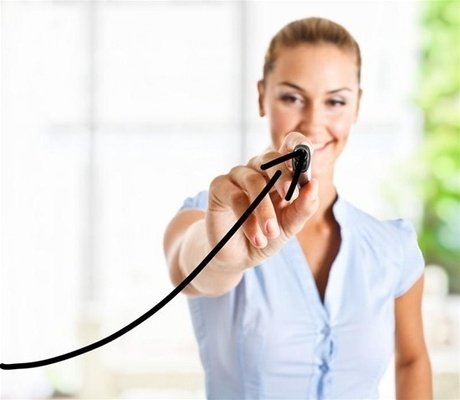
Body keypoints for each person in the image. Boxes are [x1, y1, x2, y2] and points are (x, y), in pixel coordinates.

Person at [163, 17, 432, 399]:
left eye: (335, 101)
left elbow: (412, 360)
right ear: (262, 97)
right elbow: (187, 266)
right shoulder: (212, 216)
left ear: (357, 106)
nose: (313, 123)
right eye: (292, 98)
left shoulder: (393, 247)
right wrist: (222, 258)